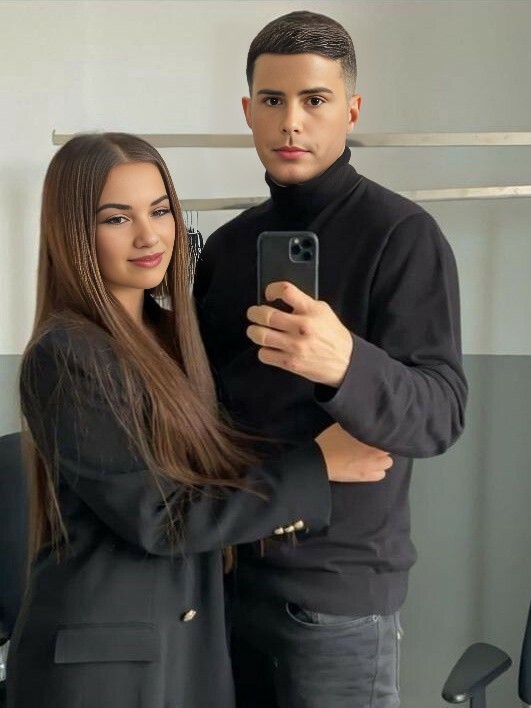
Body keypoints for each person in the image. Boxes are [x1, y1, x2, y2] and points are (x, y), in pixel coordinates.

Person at [6, 132, 394, 708]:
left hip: (186, 645)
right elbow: (161, 516)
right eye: (118, 218)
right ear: (73, 233)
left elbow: (211, 473)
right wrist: (318, 465)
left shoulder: (174, 337)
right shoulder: (66, 352)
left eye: (161, 211)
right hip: (105, 669)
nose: (149, 236)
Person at [193, 10, 468, 708]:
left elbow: (440, 414)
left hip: (337, 597)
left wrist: (345, 362)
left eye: (314, 100)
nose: (291, 122)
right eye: (272, 100)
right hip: (227, 576)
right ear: (248, 112)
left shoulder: (402, 235)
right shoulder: (225, 249)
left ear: (350, 110)